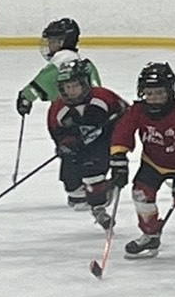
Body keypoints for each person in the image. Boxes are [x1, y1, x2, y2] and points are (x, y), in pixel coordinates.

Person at [109, 62, 175, 258]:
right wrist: (118, 158)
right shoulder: (138, 111)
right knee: (141, 195)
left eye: (159, 93)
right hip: (153, 162)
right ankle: (150, 235)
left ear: (170, 91)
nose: (154, 98)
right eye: (149, 93)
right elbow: (122, 131)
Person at [45, 56, 127, 228]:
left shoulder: (103, 97)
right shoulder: (58, 108)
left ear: (85, 83)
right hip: (78, 147)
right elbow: (56, 132)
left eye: (75, 85)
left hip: (103, 143)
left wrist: (117, 132)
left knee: (93, 175)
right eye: (67, 87)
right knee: (74, 192)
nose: (71, 91)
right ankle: (103, 190)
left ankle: (98, 207)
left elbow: (128, 115)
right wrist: (66, 144)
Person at [15, 18, 99, 119]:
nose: (49, 45)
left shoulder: (60, 59)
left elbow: (41, 81)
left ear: (63, 42)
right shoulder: (82, 62)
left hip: (67, 114)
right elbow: (98, 89)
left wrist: (25, 97)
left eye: (52, 41)